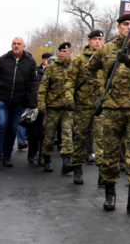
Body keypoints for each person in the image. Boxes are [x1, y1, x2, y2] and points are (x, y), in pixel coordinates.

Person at [89, 14, 130, 214]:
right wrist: (100, 91)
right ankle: (110, 194)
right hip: (111, 109)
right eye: (125, 25)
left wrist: (129, 61)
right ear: (119, 27)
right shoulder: (106, 49)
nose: (129, 28)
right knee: (109, 153)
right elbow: (89, 68)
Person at [0, 37, 39, 169]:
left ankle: (7, 156)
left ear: (24, 46)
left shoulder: (30, 62)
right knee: (1, 125)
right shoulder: (3, 59)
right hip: (2, 99)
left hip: (19, 101)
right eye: (14, 44)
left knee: (12, 129)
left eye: (19, 44)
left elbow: (34, 83)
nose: (16, 46)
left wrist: (32, 101)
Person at [68, 29, 105, 186]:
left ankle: (103, 174)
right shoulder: (79, 60)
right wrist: (69, 97)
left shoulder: (108, 59)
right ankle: (77, 167)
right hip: (83, 105)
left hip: (102, 106)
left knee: (102, 139)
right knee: (80, 137)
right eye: (95, 39)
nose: (97, 42)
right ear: (89, 41)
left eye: (100, 39)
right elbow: (70, 80)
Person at [39, 42, 75, 174]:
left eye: (67, 51)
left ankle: (67, 161)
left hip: (68, 107)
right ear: (59, 52)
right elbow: (43, 87)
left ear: (71, 52)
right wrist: (41, 103)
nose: (64, 53)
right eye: (62, 51)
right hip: (53, 107)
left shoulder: (74, 67)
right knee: (49, 135)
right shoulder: (52, 68)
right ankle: (46, 157)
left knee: (67, 135)